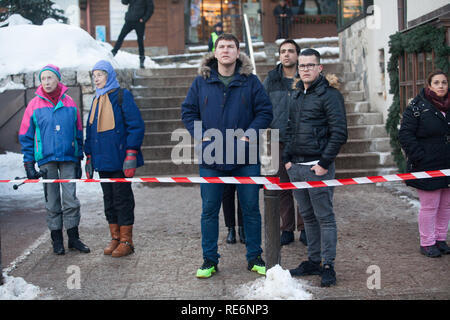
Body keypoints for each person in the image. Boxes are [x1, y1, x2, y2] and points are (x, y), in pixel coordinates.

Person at [182, 33, 273, 278]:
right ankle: (209, 260)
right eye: (221, 46)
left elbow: (265, 112)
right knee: (209, 210)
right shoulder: (201, 82)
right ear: (215, 51)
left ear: (237, 51)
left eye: (230, 47)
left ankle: (255, 256)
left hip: (245, 158)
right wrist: (201, 136)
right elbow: (188, 111)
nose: (225, 51)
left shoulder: (251, 81)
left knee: (251, 208)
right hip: (212, 158)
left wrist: (248, 136)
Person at [284, 49, 347, 287]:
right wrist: (287, 160)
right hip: (296, 167)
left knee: (325, 218)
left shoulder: (330, 96)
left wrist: (323, 163)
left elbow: (339, 133)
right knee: (308, 217)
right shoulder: (297, 95)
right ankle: (313, 260)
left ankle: (328, 264)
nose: (306, 69)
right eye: (302, 66)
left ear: (320, 68)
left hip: (317, 168)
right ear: (298, 69)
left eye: (311, 65)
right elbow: (289, 128)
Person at [19, 64, 90, 255]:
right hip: (46, 161)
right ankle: (56, 240)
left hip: (68, 158)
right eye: (43, 79)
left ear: (58, 79)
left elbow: (77, 132)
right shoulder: (34, 105)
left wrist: (78, 158)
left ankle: (74, 238)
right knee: (52, 202)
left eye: (50, 78)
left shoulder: (70, 103)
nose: (47, 82)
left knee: (71, 200)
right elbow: (26, 135)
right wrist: (28, 163)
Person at [84, 60, 145, 258]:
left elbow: (136, 125)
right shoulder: (96, 101)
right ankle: (115, 237)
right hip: (102, 160)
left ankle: (127, 240)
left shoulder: (121, 96)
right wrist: (89, 156)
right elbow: (90, 132)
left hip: (119, 159)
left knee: (122, 199)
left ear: (109, 76)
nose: (96, 79)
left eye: (100, 75)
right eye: (94, 76)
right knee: (108, 199)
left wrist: (131, 153)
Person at [398, 70, 450, 258]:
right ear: (429, 86)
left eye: (444, 82)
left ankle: (440, 239)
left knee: (446, 205)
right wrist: (420, 157)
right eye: (436, 82)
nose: (441, 86)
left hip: (447, 164)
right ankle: (427, 242)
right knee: (430, 206)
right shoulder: (417, 106)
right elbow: (405, 134)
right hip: (426, 165)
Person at [263, 39, 307, 247]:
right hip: (276, 140)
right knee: (281, 187)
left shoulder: (307, 77)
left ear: (298, 55)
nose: (286, 54)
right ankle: (287, 228)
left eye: (291, 51)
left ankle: (305, 227)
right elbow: (262, 107)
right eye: (283, 51)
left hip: (302, 140)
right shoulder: (271, 79)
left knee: (303, 185)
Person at [111, 0, 154, 69]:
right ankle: (113, 52)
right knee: (121, 36)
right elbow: (124, 2)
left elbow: (150, 9)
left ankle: (142, 60)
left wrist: (144, 19)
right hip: (129, 21)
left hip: (139, 22)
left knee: (140, 41)